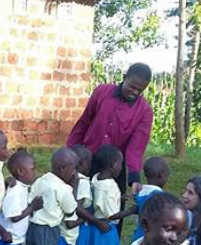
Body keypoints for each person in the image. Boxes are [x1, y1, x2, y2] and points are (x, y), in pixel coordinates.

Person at [66, 63, 154, 194]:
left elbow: (136, 147)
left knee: (110, 208)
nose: (135, 92)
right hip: (88, 160)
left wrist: (134, 178)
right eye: (132, 87)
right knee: (80, 199)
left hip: (114, 168)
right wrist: (69, 153)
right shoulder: (102, 92)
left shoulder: (145, 111)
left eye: (140, 90)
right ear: (124, 77)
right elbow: (84, 123)